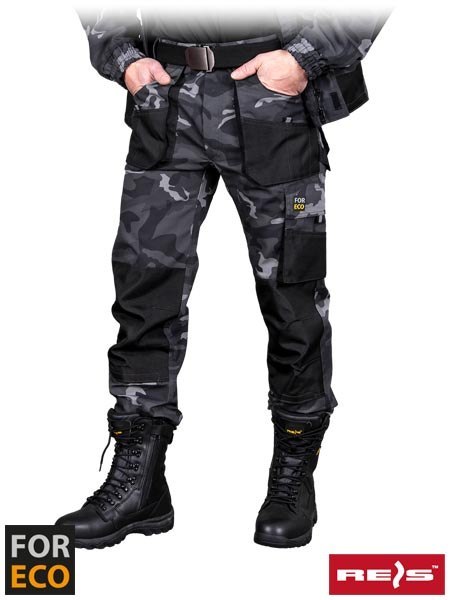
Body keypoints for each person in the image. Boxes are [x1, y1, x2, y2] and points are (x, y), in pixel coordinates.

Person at [56, 8, 388, 549]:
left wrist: (301, 60)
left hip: (271, 99)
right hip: (164, 96)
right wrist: (125, 59)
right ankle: (139, 483)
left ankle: (293, 476)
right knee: (144, 291)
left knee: (292, 295)